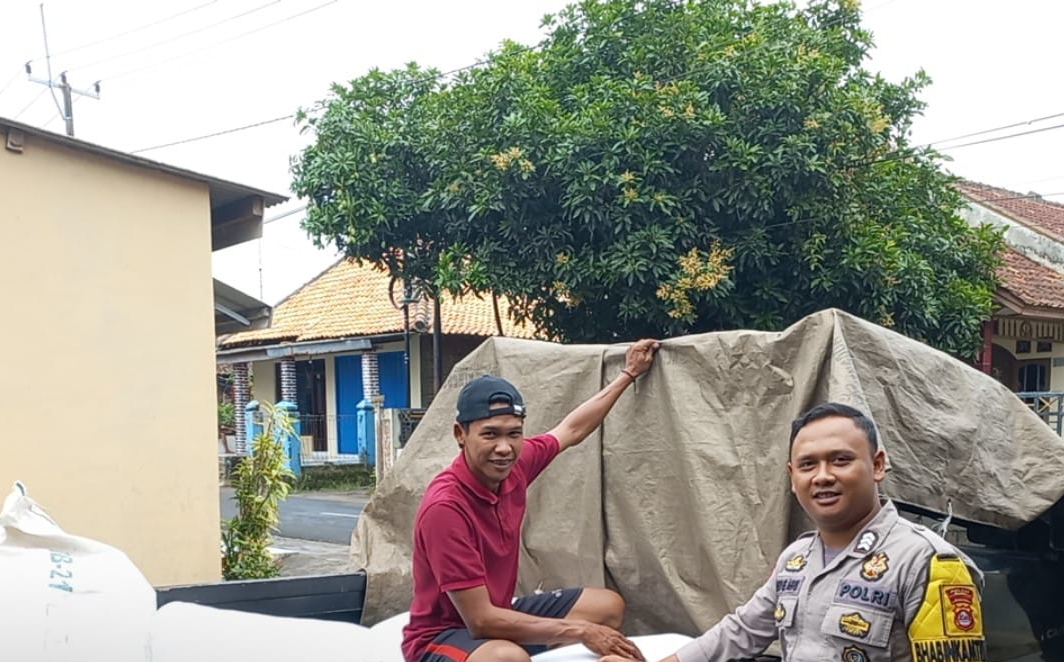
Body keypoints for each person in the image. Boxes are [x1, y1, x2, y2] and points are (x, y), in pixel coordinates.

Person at [602, 402, 986, 662]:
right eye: (807, 465)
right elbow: (742, 631)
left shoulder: (927, 562)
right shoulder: (797, 558)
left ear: (878, 465)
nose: (823, 476)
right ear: (792, 477)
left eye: (841, 460)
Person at [401, 338, 661, 662]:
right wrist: (580, 631)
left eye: (514, 433)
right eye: (490, 434)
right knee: (508, 658)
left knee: (607, 607)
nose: (504, 448)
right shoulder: (446, 507)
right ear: (460, 434)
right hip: (444, 634)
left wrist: (628, 374)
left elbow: (572, 429)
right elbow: (480, 620)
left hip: (498, 611)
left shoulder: (516, 465)